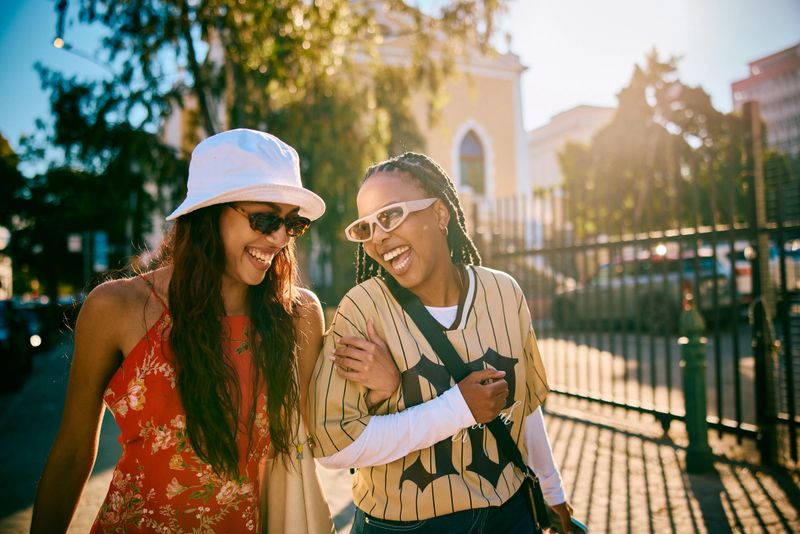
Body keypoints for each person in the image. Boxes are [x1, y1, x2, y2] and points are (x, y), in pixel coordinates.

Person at [31, 129, 329, 533]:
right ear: (209, 212)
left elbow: (324, 436)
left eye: (291, 224)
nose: (278, 238)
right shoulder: (116, 308)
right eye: (264, 218)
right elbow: (71, 453)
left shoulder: (299, 316)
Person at [308, 152, 573, 533]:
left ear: (439, 214)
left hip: (510, 515)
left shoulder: (504, 292)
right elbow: (334, 446)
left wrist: (552, 492)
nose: (378, 236)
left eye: (390, 216)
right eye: (366, 227)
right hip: (407, 526)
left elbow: (525, 407)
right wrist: (457, 408)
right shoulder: (364, 309)